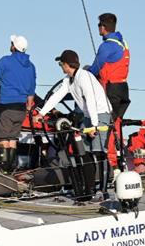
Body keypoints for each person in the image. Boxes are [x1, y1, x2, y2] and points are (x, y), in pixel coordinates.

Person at [35, 50, 113, 198]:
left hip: (100, 113)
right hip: (88, 116)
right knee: (85, 153)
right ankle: (89, 190)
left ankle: (103, 191)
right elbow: (57, 96)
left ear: (66, 64)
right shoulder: (68, 80)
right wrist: (41, 113)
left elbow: (90, 99)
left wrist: (94, 126)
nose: (60, 67)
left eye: (60, 64)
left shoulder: (84, 77)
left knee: (99, 152)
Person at [87, 12, 130, 169]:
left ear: (103, 27)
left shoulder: (107, 46)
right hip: (123, 89)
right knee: (116, 124)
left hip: (110, 89)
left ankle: (107, 162)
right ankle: (117, 160)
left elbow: (95, 68)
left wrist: (83, 75)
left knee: (105, 123)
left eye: (99, 25)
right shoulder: (122, 43)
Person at [0, 35, 36, 172]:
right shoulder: (31, 66)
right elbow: (31, 90)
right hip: (21, 109)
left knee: (3, 138)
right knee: (12, 139)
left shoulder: (6, 61)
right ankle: (11, 169)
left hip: (6, 106)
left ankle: (3, 168)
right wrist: (28, 106)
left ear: (14, 46)